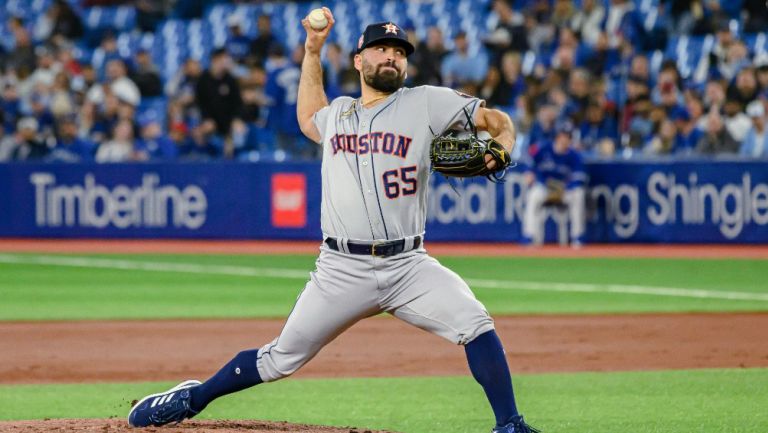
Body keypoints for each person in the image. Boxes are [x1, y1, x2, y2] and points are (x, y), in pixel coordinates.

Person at [128, 10, 539, 433]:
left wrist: (503, 144)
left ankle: (510, 424)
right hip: (342, 269)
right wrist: (312, 49)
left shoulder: (428, 102)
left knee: (474, 322)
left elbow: (498, 120)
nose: (390, 58)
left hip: (408, 265)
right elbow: (308, 116)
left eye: (398, 52)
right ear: (359, 60)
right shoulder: (338, 114)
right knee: (278, 360)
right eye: (380, 49)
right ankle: (191, 399)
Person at [522, 121, 586, 247]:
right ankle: (529, 236)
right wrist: (529, 172)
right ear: (557, 136)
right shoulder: (543, 148)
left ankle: (577, 237)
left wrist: (565, 187)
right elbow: (530, 162)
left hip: (564, 190)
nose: (565, 139)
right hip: (545, 188)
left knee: (578, 194)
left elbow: (580, 178)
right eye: (563, 135)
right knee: (533, 195)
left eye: (568, 137)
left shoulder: (574, 155)